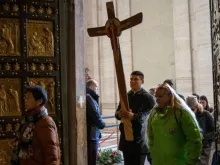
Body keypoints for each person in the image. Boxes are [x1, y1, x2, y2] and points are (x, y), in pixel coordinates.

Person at [147, 83, 202, 165]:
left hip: (179, 161)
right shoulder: (154, 114)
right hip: (158, 161)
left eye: (160, 96)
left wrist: (190, 161)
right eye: (156, 96)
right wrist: (152, 154)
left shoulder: (181, 113)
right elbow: (150, 136)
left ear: (169, 96)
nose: (157, 99)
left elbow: (194, 139)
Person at [11, 86, 60, 165]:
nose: (25, 100)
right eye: (25, 97)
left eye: (29, 98)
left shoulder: (45, 122)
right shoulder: (28, 120)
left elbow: (51, 155)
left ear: (39, 101)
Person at [115, 71, 156, 165]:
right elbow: (117, 113)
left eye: (136, 79)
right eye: (131, 79)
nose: (132, 81)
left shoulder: (148, 97)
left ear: (142, 81)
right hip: (126, 138)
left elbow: (150, 115)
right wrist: (119, 114)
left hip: (140, 139)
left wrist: (134, 116)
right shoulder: (126, 96)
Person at [186, 95, 215, 165]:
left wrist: (204, 137)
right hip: (192, 147)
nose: (191, 112)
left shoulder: (206, 115)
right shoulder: (186, 116)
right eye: (188, 110)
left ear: (196, 107)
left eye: (192, 109)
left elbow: (214, 130)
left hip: (205, 147)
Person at [86, 79, 106, 165]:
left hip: (93, 132)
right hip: (91, 134)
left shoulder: (90, 97)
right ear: (91, 87)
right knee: (91, 159)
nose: (97, 90)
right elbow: (95, 115)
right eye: (96, 88)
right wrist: (103, 124)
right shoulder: (88, 98)